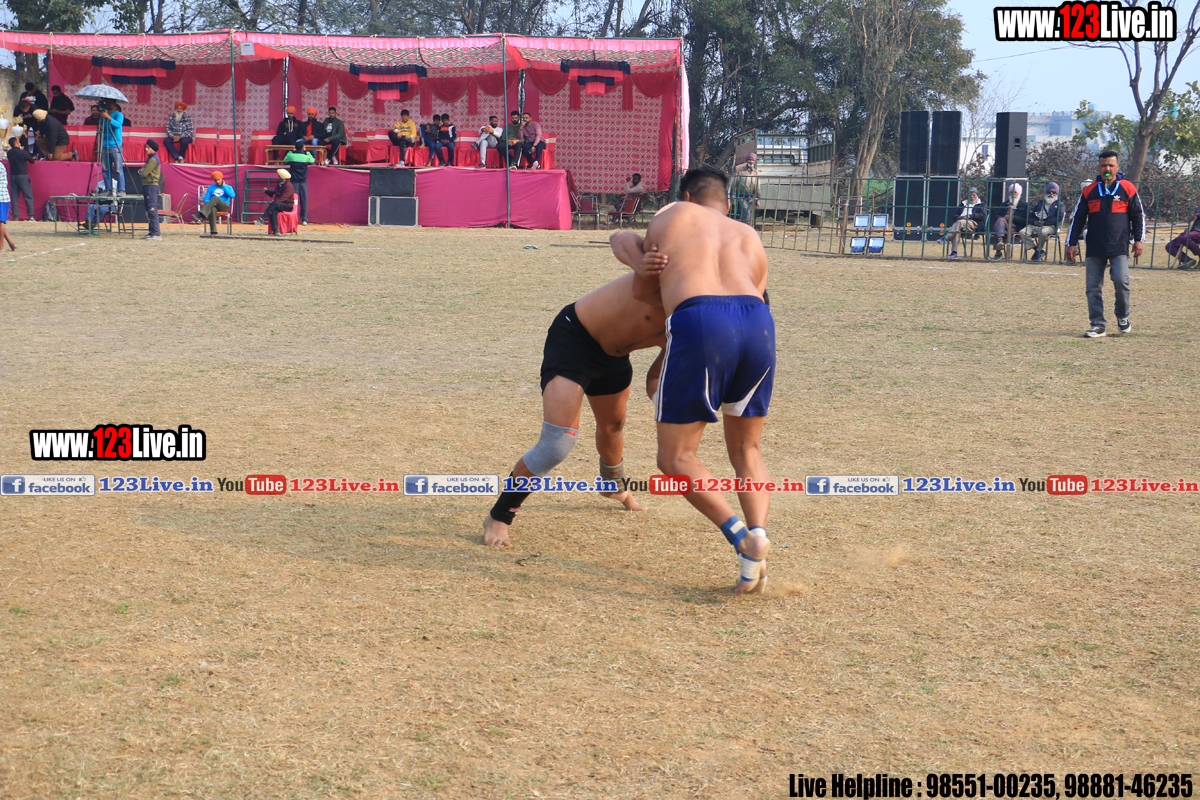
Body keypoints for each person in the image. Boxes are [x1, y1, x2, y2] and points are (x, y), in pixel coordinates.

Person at [629, 166, 774, 594]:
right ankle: (758, 539)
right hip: (758, 322)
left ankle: (740, 536)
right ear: (726, 203)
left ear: (687, 197)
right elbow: (760, 290)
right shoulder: (748, 233)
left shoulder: (672, 213)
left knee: (675, 457)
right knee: (747, 449)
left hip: (700, 318)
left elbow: (643, 291)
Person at [482, 253, 670, 547]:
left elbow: (655, 377)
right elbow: (619, 237)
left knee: (614, 425)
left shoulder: (696, 325)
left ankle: (613, 485)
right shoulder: (667, 278)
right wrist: (639, 262)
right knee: (556, 444)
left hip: (614, 355)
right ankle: (499, 516)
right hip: (576, 339)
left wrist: (664, 404)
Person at [1067, 150, 1145, 338]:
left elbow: (1138, 215)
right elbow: (1078, 218)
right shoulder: (1089, 190)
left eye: (1111, 165)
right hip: (1095, 247)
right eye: (1104, 165)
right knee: (1093, 287)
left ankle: (1123, 316)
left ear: (1117, 167)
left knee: (1121, 280)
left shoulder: (1127, 188)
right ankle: (1098, 325)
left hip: (1119, 245)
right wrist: (1071, 243)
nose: (1107, 169)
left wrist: (1139, 240)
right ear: (1099, 167)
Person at [943, 186, 986, 259]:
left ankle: (947, 236)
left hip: (974, 223)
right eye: (970, 195)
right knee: (957, 230)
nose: (972, 197)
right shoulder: (963, 203)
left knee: (959, 223)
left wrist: (969, 216)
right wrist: (959, 217)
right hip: (961, 223)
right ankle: (954, 253)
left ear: (977, 195)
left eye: (974, 195)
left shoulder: (981, 204)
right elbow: (954, 215)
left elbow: (982, 215)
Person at [1024, 182, 1063, 262]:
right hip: (1035, 225)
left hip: (1050, 226)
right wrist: (1034, 222)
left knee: (1043, 233)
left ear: (1057, 193)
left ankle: (1038, 251)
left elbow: (1059, 217)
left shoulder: (1060, 204)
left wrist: (1045, 223)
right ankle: (1038, 250)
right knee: (1022, 232)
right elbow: (1031, 216)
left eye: (1053, 192)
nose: (1051, 194)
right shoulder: (1040, 203)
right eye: (1049, 192)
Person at [990, 182, 1027, 261]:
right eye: (1011, 192)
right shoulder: (1004, 204)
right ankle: (1000, 241)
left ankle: (998, 251)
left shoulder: (1024, 205)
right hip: (1002, 225)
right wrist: (1003, 217)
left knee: (998, 226)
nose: (1013, 194)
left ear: (1019, 193)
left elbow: (1025, 220)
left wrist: (1013, 218)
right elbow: (996, 215)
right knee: (1000, 220)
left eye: (1015, 192)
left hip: (1015, 226)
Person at [283, 141, 315, 225]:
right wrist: (307, 152)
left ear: (295, 147)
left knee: (292, 200)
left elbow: (285, 159)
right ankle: (304, 219)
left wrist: (291, 151)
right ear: (303, 148)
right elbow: (312, 160)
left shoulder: (291, 156)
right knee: (304, 200)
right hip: (303, 182)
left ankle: (293, 218)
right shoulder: (306, 157)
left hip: (293, 181)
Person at [255, 168, 294, 235]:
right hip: (279, 204)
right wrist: (267, 191)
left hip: (287, 205)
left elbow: (284, 197)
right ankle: (276, 230)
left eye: (279, 176)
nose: (278, 178)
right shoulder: (279, 185)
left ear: (283, 178)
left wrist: (275, 202)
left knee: (274, 204)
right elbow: (273, 194)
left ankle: (262, 218)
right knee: (273, 211)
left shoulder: (288, 186)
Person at [98, 99, 125, 195]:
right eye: (107, 103)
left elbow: (118, 125)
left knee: (118, 169)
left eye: (110, 103)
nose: (109, 105)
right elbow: (101, 128)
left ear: (114, 104)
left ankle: (121, 190)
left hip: (115, 145)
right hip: (104, 145)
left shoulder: (118, 115)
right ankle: (109, 189)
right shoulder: (102, 116)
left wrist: (108, 117)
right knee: (106, 169)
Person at [139, 140, 163, 241]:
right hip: (148, 185)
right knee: (149, 210)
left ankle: (156, 233)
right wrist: (143, 171)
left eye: (148, 147)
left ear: (153, 149)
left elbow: (144, 173)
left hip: (151, 186)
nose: (146, 149)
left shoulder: (153, 159)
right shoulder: (150, 158)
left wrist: (143, 171)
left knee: (152, 210)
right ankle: (151, 232)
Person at [7, 138, 35, 221]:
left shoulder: (9, 153)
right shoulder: (23, 152)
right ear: (16, 143)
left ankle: (15, 216)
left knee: (14, 197)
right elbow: (32, 161)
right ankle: (31, 216)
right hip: (23, 176)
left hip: (13, 176)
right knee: (28, 196)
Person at [730, 154, 759, 224]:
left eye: (752, 160)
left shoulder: (755, 172)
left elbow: (757, 186)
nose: (751, 161)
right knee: (746, 213)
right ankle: (748, 227)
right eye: (749, 159)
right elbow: (734, 183)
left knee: (746, 214)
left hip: (751, 197)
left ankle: (744, 227)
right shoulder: (741, 171)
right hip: (741, 196)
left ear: (754, 161)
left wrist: (758, 199)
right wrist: (732, 194)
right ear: (747, 160)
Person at [0, 151, 16, 250]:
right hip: (3, 197)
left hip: (1, 198)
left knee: (1, 222)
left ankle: (1, 246)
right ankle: (11, 243)